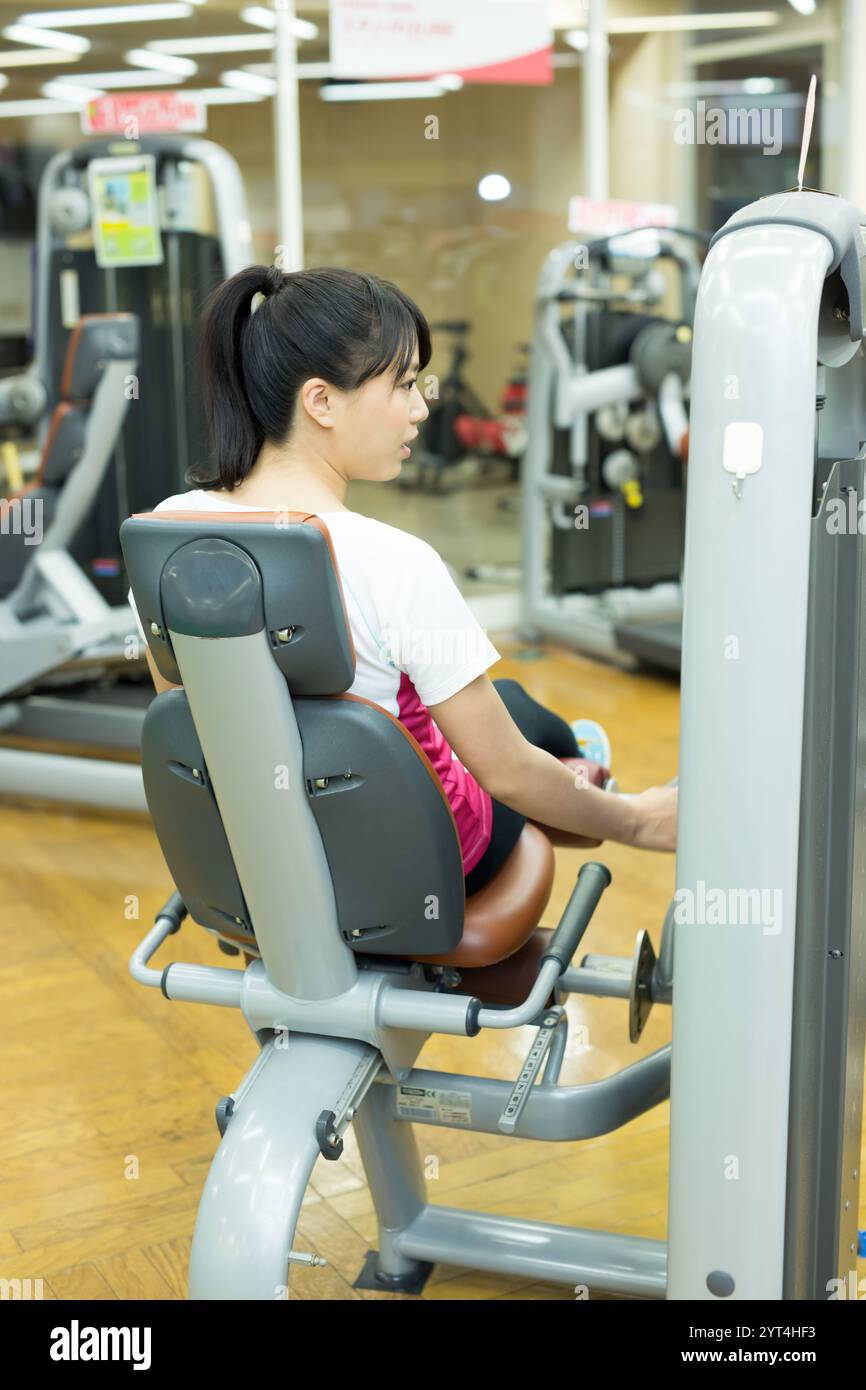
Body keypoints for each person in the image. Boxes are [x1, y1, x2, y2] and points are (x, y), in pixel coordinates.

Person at [128, 264, 677, 894]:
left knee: (514, 710)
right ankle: (583, 770)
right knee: (521, 738)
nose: (421, 409)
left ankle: (573, 759)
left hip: (256, 858)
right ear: (321, 401)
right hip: (413, 860)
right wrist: (639, 823)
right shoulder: (395, 561)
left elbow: (179, 699)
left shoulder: (167, 530)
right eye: (404, 385)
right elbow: (506, 776)